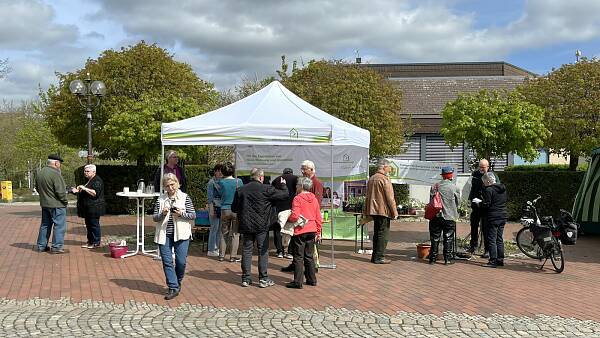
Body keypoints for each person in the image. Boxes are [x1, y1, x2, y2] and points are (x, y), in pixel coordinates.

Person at [232, 168, 288, 288]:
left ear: (251, 177)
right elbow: (284, 195)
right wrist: (283, 185)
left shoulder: (240, 190)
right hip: (262, 225)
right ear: (261, 178)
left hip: (246, 225)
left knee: (247, 250)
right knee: (263, 251)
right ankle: (263, 278)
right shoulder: (266, 189)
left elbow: (234, 208)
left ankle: (246, 278)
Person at [152, 173, 195, 300]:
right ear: (164, 187)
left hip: (182, 234)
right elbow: (155, 218)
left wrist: (181, 214)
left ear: (177, 183)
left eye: (172, 184)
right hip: (164, 234)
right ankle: (173, 287)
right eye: (167, 186)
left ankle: (177, 281)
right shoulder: (160, 199)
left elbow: (193, 215)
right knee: (167, 261)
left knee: (181, 262)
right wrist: (163, 213)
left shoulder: (185, 197)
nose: (170, 188)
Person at [281, 160, 323, 272]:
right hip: (300, 220)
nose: (302, 171)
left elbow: (317, 204)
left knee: (309, 249)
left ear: (311, 169)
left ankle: (312, 267)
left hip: (309, 221)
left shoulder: (316, 183)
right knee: (298, 248)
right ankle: (297, 265)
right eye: (302, 169)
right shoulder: (304, 181)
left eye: (304, 169)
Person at [285, 176, 322, 289]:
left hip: (301, 230)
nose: (296, 187)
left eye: (297, 185)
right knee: (309, 256)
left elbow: (295, 216)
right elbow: (318, 217)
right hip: (312, 229)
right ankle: (312, 279)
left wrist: (288, 218)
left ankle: (298, 281)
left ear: (301, 186)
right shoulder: (314, 199)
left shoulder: (297, 198)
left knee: (298, 256)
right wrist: (318, 231)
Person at [364, 159, 398, 264]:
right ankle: (379, 257)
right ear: (384, 167)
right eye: (389, 167)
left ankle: (375, 256)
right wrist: (395, 212)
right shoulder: (384, 179)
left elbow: (368, 196)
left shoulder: (372, 178)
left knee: (377, 233)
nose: (390, 169)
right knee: (383, 234)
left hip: (373, 210)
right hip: (383, 210)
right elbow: (390, 198)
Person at [36, 154, 68, 254]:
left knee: (45, 225)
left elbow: (37, 188)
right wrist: (65, 201)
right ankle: (57, 247)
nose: (60, 165)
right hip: (57, 205)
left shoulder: (40, 173)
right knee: (59, 226)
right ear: (56, 163)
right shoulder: (56, 174)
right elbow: (61, 192)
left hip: (45, 204)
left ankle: (41, 246)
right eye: (60, 163)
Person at [428, 166, 461, 265]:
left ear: (442, 176)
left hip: (435, 216)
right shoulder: (454, 187)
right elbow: (458, 202)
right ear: (451, 175)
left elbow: (430, 201)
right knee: (448, 237)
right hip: (449, 216)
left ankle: (432, 259)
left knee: (434, 237)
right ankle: (447, 259)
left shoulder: (435, 186)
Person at [70, 164, 105, 249]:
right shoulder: (90, 180)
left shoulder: (97, 180)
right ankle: (90, 241)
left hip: (94, 207)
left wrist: (84, 188)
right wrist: (77, 190)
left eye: (87, 171)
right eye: (85, 171)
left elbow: (95, 193)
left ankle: (96, 242)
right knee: (88, 225)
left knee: (93, 225)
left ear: (94, 172)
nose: (85, 173)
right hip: (88, 208)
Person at [480, 172, 507, 268]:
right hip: (503, 215)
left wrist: (480, 203)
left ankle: (493, 260)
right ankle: (500, 259)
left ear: (488, 181)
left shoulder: (489, 190)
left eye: (484, 182)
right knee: (499, 238)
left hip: (493, 217)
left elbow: (487, 204)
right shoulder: (503, 189)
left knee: (491, 239)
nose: (484, 184)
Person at [218, 162, 244, 262]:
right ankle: (233, 256)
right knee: (235, 234)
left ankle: (221, 255)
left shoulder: (221, 182)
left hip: (225, 209)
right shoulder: (239, 181)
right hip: (236, 210)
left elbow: (220, 194)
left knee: (224, 232)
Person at [271, 168, 298, 258]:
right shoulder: (296, 179)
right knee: (291, 230)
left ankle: (280, 251)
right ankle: (290, 252)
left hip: (279, 208)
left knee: (278, 229)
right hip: (292, 207)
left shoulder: (277, 179)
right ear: (292, 172)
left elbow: (272, 193)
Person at [468, 159, 489, 256]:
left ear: (487, 167)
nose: (481, 169)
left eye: (483, 167)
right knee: (474, 226)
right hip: (475, 205)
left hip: (485, 206)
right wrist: (471, 199)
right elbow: (472, 188)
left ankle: (487, 249)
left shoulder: (491, 175)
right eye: (480, 167)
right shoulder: (475, 174)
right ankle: (473, 246)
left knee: (486, 228)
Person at [206, 164, 223, 257]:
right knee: (214, 228)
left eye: (221, 170)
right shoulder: (211, 182)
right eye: (218, 170)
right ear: (215, 171)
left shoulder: (223, 182)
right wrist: (211, 209)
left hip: (221, 207)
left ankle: (217, 247)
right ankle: (211, 249)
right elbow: (210, 197)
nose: (220, 172)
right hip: (214, 206)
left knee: (219, 229)